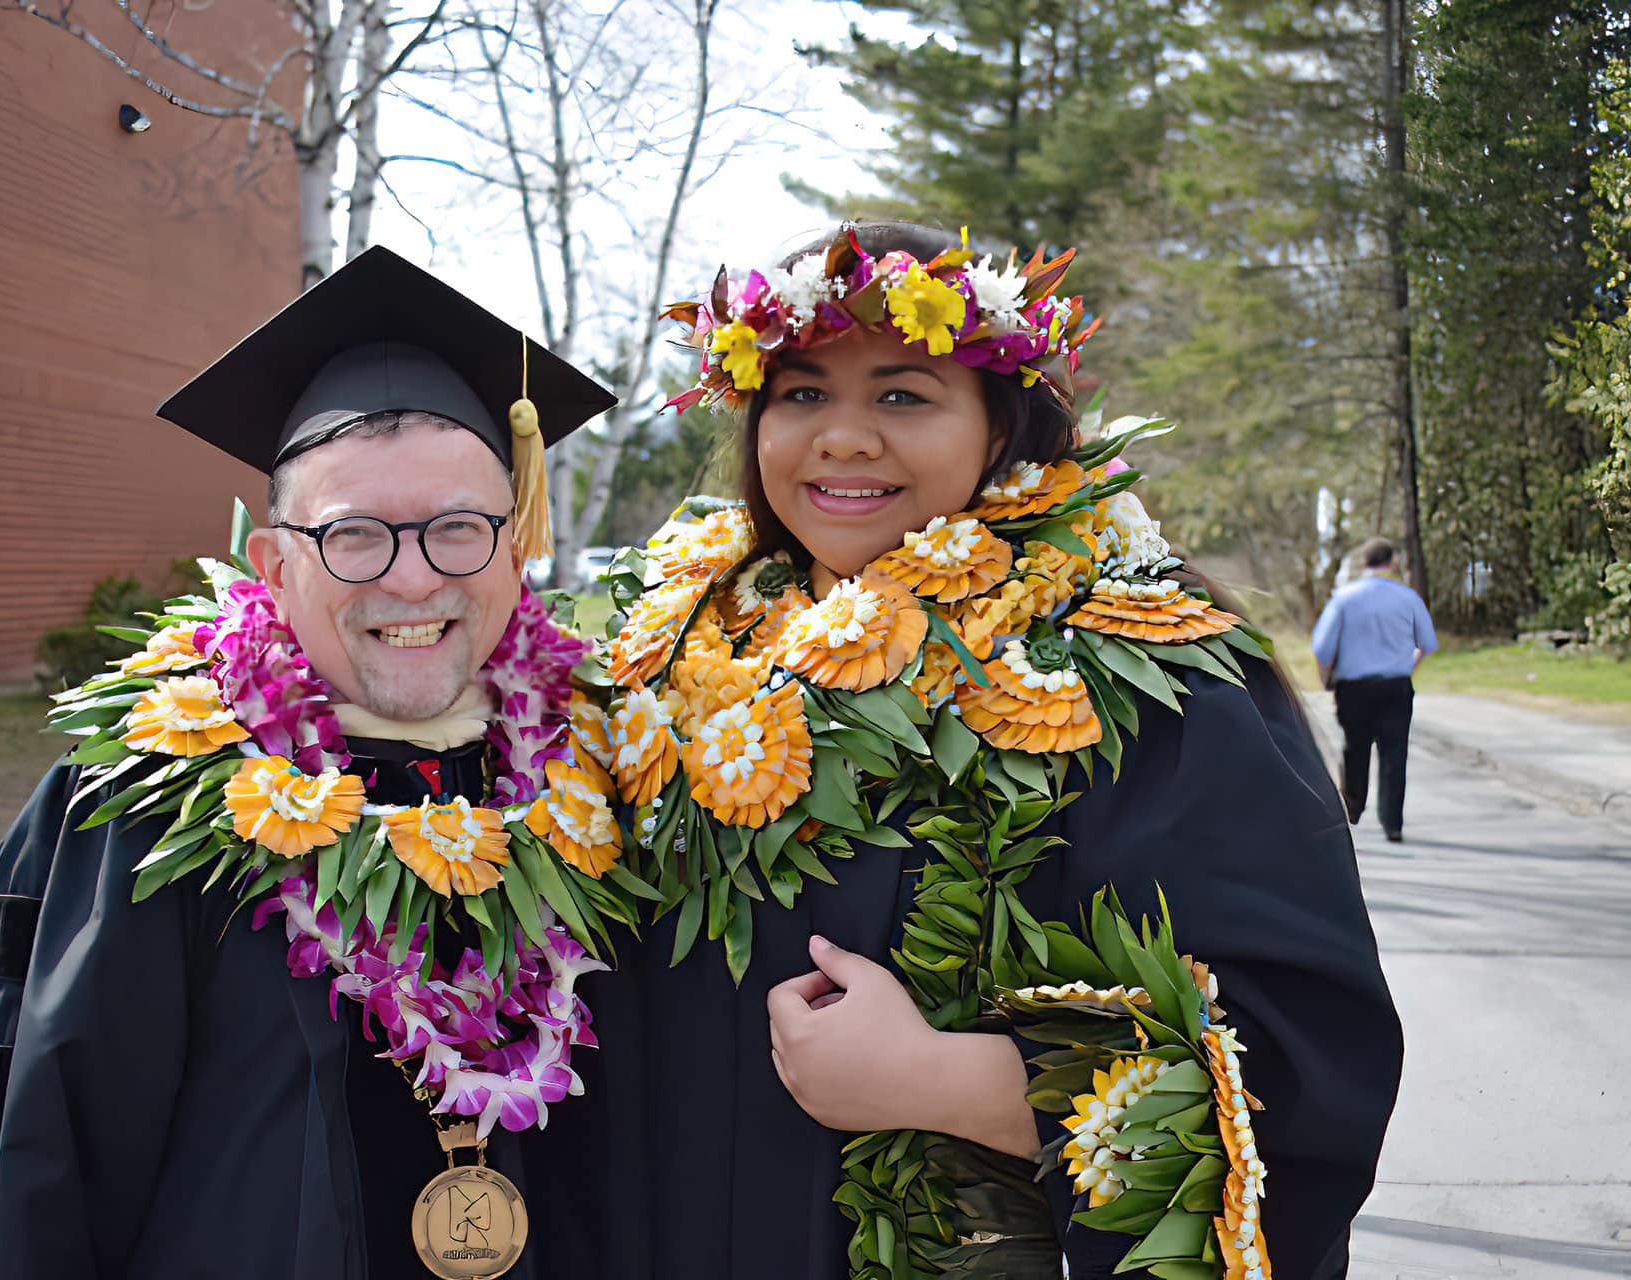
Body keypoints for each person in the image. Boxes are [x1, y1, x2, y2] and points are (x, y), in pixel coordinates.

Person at [574, 221, 1403, 1278]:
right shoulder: (666, 658)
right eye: (803, 393)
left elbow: (1296, 1062)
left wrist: (945, 1079)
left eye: (903, 393)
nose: (842, 436)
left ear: (1000, 423)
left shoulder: (1135, 668)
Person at [0, 245, 620, 1279]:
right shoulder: (144, 803)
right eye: (355, 534)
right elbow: (31, 1165)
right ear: (274, 563)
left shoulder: (603, 779)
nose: (412, 578)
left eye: (458, 528)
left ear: (515, 544)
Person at [1311, 536, 1439, 842]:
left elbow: (1322, 647)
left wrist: (1326, 679)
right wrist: (1407, 667)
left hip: (1354, 687)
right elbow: (1428, 643)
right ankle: (1392, 823)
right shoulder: (1408, 598)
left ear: (1363, 562)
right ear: (1392, 562)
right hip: (1395, 685)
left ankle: (1353, 809)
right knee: (1394, 753)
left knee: (1355, 748)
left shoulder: (1344, 598)